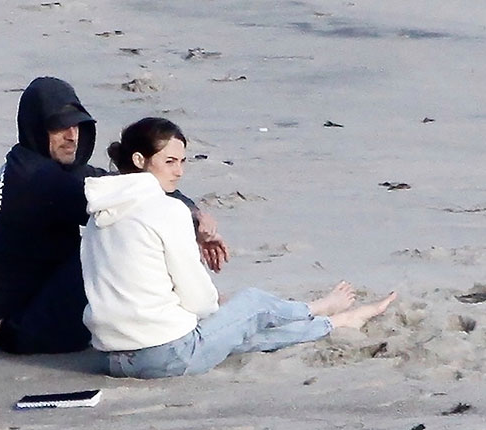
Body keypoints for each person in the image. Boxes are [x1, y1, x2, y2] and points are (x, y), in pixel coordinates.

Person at [80, 117, 397, 378]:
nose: (179, 171)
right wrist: (218, 304)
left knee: (241, 331)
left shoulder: (99, 214)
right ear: (140, 160)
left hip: (113, 359)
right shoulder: (167, 210)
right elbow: (199, 301)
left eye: (183, 162)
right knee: (252, 303)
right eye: (170, 161)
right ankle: (316, 309)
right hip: (167, 356)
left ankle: (336, 322)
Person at [0, 77, 225, 354]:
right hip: (18, 329)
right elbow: (136, 200)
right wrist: (190, 221)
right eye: (59, 127)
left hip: (27, 306)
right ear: (36, 127)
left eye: (76, 125)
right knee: (121, 231)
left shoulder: (34, 163)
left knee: (120, 225)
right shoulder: (37, 180)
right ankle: (168, 317)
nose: (72, 135)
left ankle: (167, 309)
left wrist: (194, 214)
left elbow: (122, 184)